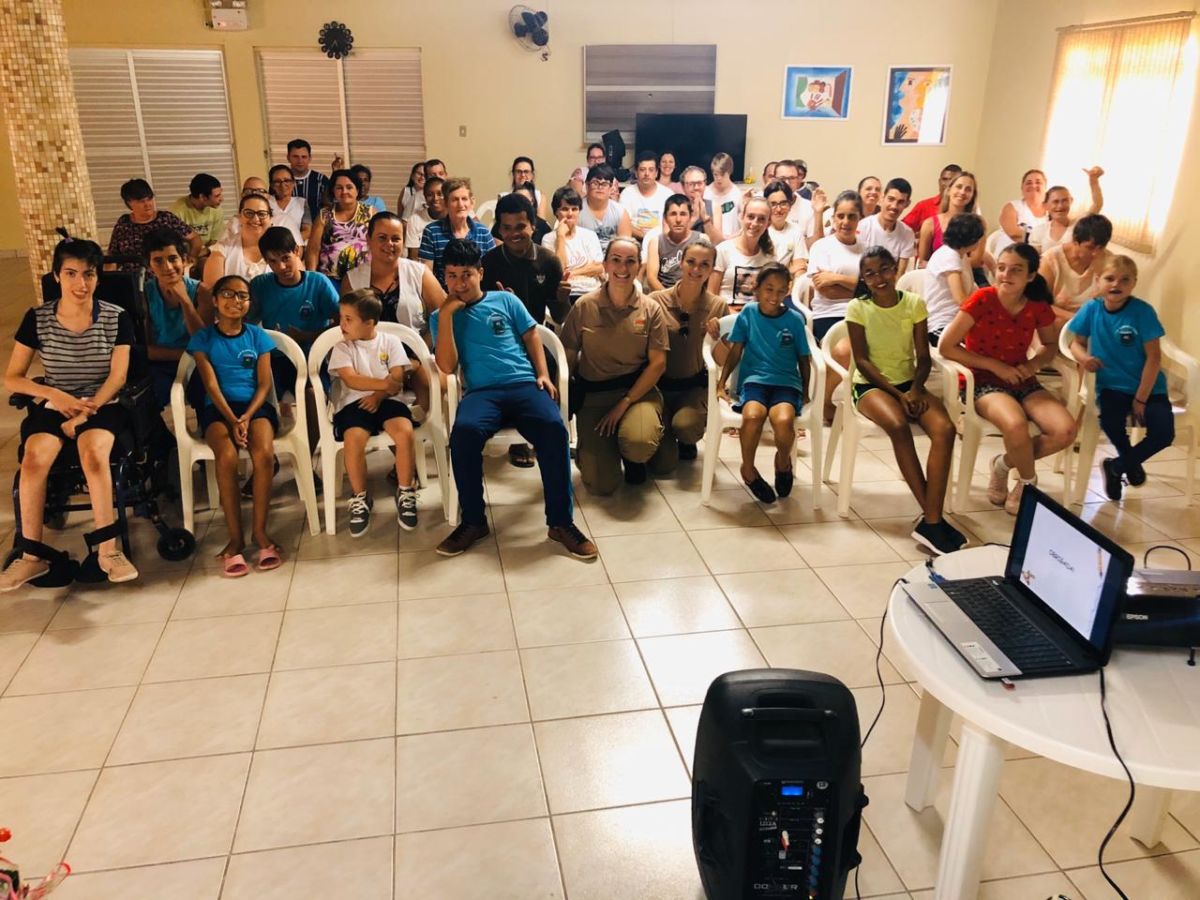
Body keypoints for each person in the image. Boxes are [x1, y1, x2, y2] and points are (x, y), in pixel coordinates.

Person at [432, 239, 595, 559]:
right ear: (444, 277)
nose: (459, 283)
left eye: (466, 274)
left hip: (522, 385)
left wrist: (543, 373)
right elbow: (447, 366)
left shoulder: (505, 302)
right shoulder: (442, 316)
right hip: (481, 393)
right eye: (451, 275)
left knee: (553, 427)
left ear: (480, 273)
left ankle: (561, 522)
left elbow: (532, 334)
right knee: (463, 434)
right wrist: (449, 315)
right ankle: (474, 521)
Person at [0, 238, 139, 591]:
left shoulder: (115, 317)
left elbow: (118, 376)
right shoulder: (38, 318)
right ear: (56, 276)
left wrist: (85, 411)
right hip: (56, 401)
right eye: (71, 274)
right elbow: (11, 377)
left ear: (97, 277)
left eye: (89, 274)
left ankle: (108, 551)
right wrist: (54, 395)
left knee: (93, 454)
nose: (81, 283)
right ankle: (31, 557)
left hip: (103, 403)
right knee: (33, 459)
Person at [938, 243, 1077, 514]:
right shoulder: (982, 300)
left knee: (1065, 431)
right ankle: (1028, 482)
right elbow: (947, 346)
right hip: (983, 380)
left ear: (1031, 276)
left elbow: (1049, 345)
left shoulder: (1037, 307)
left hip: (1021, 378)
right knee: (1015, 425)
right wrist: (993, 365)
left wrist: (1034, 363)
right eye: (1001, 268)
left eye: (1016, 270)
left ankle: (1003, 465)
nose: (1006, 275)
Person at [847, 247, 965, 554]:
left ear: (894, 270)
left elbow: (923, 357)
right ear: (864, 278)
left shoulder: (914, 304)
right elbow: (861, 361)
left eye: (885, 269)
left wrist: (914, 388)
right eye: (870, 273)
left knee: (946, 430)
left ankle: (932, 520)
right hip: (871, 386)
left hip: (910, 383)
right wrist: (899, 395)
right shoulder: (858, 308)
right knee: (898, 425)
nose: (879, 278)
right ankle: (933, 519)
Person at [187, 274, 283, 575]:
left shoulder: (258, 336)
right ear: (214, 301)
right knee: (226, 457)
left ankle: (260, 532)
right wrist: (231, 419)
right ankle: (236, 538)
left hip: (255, 406)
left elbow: (265, 384)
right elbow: (211, 386)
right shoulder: (203, 339)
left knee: (264, 455)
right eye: (227, 294)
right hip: (218, 409)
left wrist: (246, 417)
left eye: (242, 295)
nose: (235, 301)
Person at [562, 237, 669, 493]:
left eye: (630, 261)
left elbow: (658, 364)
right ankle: (599, 450)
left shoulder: (650, 309)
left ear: (639, 266)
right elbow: (568, 352)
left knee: (644, 447)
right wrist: (564, 396)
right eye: (616, 260)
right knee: (601, 485)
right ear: (606, 265)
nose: (623, 268)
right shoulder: (585, 305)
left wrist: (625, 402)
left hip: (636, 393)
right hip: (595, 395)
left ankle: (635, 455)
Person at [1067, 255, 1173, 501]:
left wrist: (1141, 399)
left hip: (1149, 388)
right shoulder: (1091, 309)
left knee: (1164, 434)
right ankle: (1129, 463)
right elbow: (1076, 343)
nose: (1116, 284)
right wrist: (1083, 358)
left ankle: (1116, 466)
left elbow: (1154, 358)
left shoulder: (1142, 312)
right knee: (1110, 422)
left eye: (1124, 279)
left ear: (1134, 283)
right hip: (1112, 386)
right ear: (1098, 281)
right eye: (1110, 278)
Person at [328, 288, 420, 536]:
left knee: (404, 433)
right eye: (341, 317)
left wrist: (381, 394)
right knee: (353, 439)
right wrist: (384, 384)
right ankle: (360, 497)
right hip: (354, 404)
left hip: (389, 400)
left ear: (369, 323)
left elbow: (398, 375)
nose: (341, 324)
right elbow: (351, 379)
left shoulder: (389, 342)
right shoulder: (343, 348)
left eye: (348, 319)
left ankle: (405, 490)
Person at [716, 263, 809, 504]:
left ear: (787, 292)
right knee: (753, 416)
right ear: (757, 289)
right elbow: (736, 350)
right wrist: (721, 383)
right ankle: (748, 470)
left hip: (786, 383)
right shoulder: (748, 313)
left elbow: (804, 358)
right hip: (755, 381)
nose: (774, 296)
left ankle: (783, 461)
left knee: (784, 420)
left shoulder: (795, 320)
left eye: (780, 290)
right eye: (769, 289)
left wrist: (806, 390)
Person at [343, 212, 445, 413]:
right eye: (382, 238)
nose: (389, 244)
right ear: (369, 240)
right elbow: (347, 325)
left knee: (433, 385)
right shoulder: (352, 280)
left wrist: (418, 353)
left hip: (416, 353)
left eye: (396, 238)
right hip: (370, 360)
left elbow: (442, 315)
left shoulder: (420, 273)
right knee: (381, 408)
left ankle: (427, 436)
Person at [648, 239, 728, 471]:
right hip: (659, 386)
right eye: (691, 262)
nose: (696, 269)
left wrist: (718, 336)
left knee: (686, 426)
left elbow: (722, 360)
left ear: (712, 269)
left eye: (704, 265)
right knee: (662, 465)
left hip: (693, 387)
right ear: (681, 262)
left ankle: (685, 437)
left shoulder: (718, 306)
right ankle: (665, 432)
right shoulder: (655, 301)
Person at [809, 190, 866, 422]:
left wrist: (838, 278)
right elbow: (825, 290)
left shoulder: (867, 249)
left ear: (859, 218)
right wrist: (859, 287)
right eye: (840, 216)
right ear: (833, 218)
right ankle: (823, 400)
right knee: (845, 349)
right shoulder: (822, 247)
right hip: (829, 316)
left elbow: (874, 290)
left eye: (851, 216)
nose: (845, 222)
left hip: (863, 314)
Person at [143, 228, 206, 408]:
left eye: (173, 259)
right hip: (161, 364)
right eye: (158, 261)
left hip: (198, 363)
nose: (168, 267)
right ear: (149, 265)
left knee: (206, 394)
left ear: (184, 260)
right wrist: (184, 355)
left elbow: (204, 341)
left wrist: (186, 302)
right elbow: (146, 348)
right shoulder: (145, 293)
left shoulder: (202, 292)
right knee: (151, 397)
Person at [1038, 214, 1113, 331]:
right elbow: (1040, 304)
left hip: (1093, 320)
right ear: (1075, 241)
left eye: (1101, 248)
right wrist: (1077, 318)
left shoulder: (1108, 261)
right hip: (1059, 320)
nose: (1096, 253)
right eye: (1090, 248)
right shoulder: (1051, 260)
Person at [419, 176, 496, 289]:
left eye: (464, 199)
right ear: (445, 203)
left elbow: (492, 271)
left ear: (472, 202)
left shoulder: (483, 232)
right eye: (455, 200)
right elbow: (427, 275)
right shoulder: (431, 232)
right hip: (444, 295)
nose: (460, 204)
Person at [108, 178, 200, 271]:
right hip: (133, 279)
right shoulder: (123, 224)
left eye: (149, 199)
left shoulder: (166, 218)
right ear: (129, 203)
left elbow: (194, 238)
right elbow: (113, 257)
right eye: (141, 201)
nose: (147, 204)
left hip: (165, 275)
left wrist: (192, 257)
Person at [923, 213, 985, 345]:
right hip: (941, 325)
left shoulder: (960, 256)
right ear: (972, 240)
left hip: (958, 323)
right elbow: (961, 299)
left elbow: (974, 292)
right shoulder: (949, 256)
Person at [305, 168, 373, 279]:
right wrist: (312, 279)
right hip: (330, 278)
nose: (344, 191)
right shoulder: (324, 215)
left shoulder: (371, 213)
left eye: (349, 187)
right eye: (339, 188)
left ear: (357, 190)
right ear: (333, 191)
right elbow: (313, 250)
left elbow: (378, 245)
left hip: (364, 278)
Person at [710, 197, 774, 307]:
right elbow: (711, 294)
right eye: (751, 217)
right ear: (742, 217)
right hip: (726, 316)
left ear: (768, 223)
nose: (754, 223)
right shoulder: (723, 250)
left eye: (761, 219)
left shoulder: (768, 257)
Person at [543, 185, 604, 301]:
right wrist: (560, 237)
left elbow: (599, 268)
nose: (570, 214)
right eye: (565, 209)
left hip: (592, 293)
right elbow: (558, 272)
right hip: (566, 295)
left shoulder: (589, 235)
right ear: (556, 212)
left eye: (574, 209)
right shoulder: (548, 239)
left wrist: (571, 273)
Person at [203, 192, 272, 293]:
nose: (255, 219)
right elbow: (212, 292)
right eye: (249, 213)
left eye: (262, 214)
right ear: (240, 216)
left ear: (270, 218)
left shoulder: (280, 246)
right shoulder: (222, 249)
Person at [1029, 168, 1105, 252]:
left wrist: (1093, 181)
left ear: (1071, 201)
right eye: (1055, 202)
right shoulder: (1039, 231)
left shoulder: (1079, 225)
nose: (1060, 206)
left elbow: (1097, 204)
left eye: (1065, 201)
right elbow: (1034, 260)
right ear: (1045, 205)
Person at [917, 171, 982, 268]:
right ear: (949, 190)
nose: (962, 192)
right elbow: (922, 263)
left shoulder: (979, 224)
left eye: (968, 189)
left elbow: (975, 261)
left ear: (973, 195)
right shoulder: (929, 224)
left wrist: (940, 264)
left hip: (969, 276)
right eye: (958, 187)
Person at [642, 194, 702, 291]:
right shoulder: (656, 242)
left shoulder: (701, 240)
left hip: (694, 295)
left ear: (690, 216)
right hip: (663, 296)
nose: (678, 220)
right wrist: (670, 299)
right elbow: (651, 279)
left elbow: (707, 275)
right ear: (665, 217)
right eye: (673, 214)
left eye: (683, 214)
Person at [856, 177, 916, 274]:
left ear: (907, 204)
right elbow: (855, 267)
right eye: (891, 199)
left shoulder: (907, 233)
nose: (894, 206)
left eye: (900, 202)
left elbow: (899, 275)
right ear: (882, 197)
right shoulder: (863, 226)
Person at [620, 150, 674, 241]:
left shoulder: (668, 194)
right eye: (642, 169)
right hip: (634, 241)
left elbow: (671, 224)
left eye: (651, 170)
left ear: (657, 173)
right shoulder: (627, 193)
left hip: (661, 241)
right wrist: (645, 236)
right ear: (636, 173)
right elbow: (623, 223)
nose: (646, 174)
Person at [579, 164, 632, 254]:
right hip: (585, 259)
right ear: (587, 186)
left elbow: (625, 247)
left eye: (604, 184)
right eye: (595, 183)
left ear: (611, 188)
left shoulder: (620, 212)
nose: (600, 187)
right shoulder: (577, 211)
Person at [762, 181, 808, 277]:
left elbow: (800, 266)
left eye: (783, 203)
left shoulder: (795, 231)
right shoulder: (759, 228)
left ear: (790, 205)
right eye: (773, 204)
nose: (778, 209)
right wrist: (788, 270)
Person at [170, 173, 226, 250]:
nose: (222, 199)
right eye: (217, 196)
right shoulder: (177, 211)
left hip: (208, 253)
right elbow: (173, 244)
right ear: (202, 197)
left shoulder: (216, 209)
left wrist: (205, 253)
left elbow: (216, 241)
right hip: (185, 255)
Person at [903, 163, 962, 234]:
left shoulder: (968, 211)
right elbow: (901, 230)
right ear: (939, 182)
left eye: (952, 180)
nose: (947, 184)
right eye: (944, 179)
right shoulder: (924, 206)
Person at [267, 164, 311, 248]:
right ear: (272, 185)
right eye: (277, 181)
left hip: (295, 247)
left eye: (286, 180)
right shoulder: (266, 202)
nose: (282, 185)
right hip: (270, 248)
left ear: (293, 183)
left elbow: (307, 230)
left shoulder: (302, 203)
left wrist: (289, 243)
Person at [998, 169, 1047, 242]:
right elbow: (1013, 233)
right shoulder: (1011, 207)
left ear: (1045, 188)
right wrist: (1042, 238)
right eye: (1028, 183)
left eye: (1038, 182)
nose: (1033, 185)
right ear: (1022, 188)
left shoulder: (1051, 210)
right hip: (1011, 250)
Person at [288, 138, 332, 220]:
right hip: (288, 229)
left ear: (310, 158)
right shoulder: (280, 181)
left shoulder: (321, 180)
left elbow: (329, 206)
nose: (300, 161)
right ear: (288, 157)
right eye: (295, 157)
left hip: (317, 228)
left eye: (304, 157)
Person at [679, 165, 724, 243]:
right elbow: (674, 240)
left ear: (705, 184)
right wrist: (694, 218)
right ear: (683, 186)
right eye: (691, 184)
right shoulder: (676, 207)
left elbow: (718, 242)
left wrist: (705, 218)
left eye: (699, 183)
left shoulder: (714, 206)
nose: (696, 188)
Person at [774, 159, 816, 240]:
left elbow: (813, 244)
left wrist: (819, 213)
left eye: (792, 178)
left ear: (798, 180)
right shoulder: (763, 203)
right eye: (782, 179)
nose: (787, 183)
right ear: (775, 180)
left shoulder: (808, 207)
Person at [406, 176, 444, 260]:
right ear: (425, 197)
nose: (435, 198)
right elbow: (413, 258)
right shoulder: (415, 219)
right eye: (430, 195)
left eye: (440, 194)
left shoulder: (453, 218)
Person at [705, 152, 743, 238]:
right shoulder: (706, 192)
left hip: (732, 241)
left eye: (722, 174)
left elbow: (744, 223)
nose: (718, 178)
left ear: (729, 172)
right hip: (711, 242)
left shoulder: (737, 193)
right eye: (715, 174)